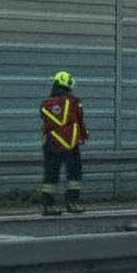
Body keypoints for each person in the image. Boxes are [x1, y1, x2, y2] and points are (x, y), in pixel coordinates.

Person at [39, 70, 88, 216]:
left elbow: (45, 123)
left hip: (51, 143)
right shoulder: (74, 102)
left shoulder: (45, 104)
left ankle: (47, 205)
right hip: (70, 142)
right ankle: (72, 203)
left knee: (50, 175)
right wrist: (83, 135)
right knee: (74, 173)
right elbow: (79, 120)